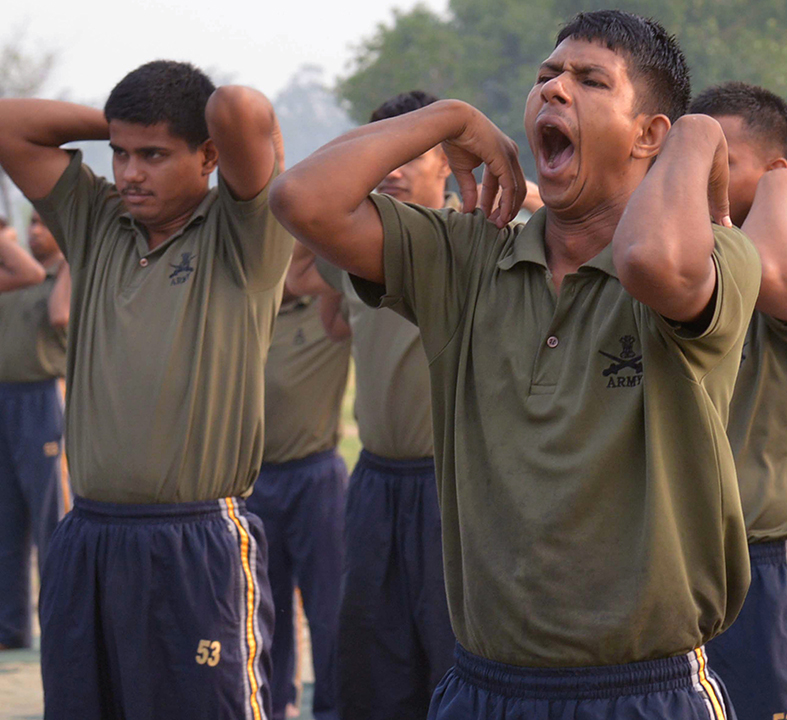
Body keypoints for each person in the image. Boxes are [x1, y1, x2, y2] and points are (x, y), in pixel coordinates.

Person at [271, 10, 760, 720]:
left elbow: (651, 260)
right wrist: (448, 118)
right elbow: (301, 199)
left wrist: (699, 133)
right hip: (484, 687)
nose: (554, 89)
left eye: (591, 80)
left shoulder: (718, 255)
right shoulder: (470, 257)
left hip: (640, 691)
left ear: (648, 134)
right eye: (546, 76)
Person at [0, 60, 292, 718]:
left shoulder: (243, 233)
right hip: (89, 537)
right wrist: (118, 124)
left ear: (208, 155)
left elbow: (242, 108)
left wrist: (180, 113)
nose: (130, 172)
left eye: (154, 154)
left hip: (196, 542)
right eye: (121, 153)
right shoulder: (96, 221)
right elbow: (7, 124)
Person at [285, 90, 462, 720]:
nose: (391, 169)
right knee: (371, 654)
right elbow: (303, 267)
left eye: (409, 154)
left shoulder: (479, 243)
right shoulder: (364, 248)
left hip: (453, 485)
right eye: (380, 154)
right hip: (376, 482)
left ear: (447, 163)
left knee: (452, 653)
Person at [691, 82, 787, 720]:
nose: (701, 177)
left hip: (761, 561)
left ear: (775, 170)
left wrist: (781, 192)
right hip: (674, 563)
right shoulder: (678, 270)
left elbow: (772, 274)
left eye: (723, 162)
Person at [248, 273, 351, 720]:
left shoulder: (330, 306)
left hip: (316, 478)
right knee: (265, 610)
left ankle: (334, 708)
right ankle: (274, 705)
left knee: (328, 608)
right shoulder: (252, 308)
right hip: (256, 481)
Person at [0, 211, 70, 651]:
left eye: (46, 223)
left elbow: (61, 316)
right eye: (33, 224)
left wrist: (70, 262)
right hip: (4, 398)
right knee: (6, 524)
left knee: (52, 522)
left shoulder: (67, 274)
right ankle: (11, 629)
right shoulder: (15, 277)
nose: (36, 231)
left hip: (43, 399)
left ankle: (63, 625)